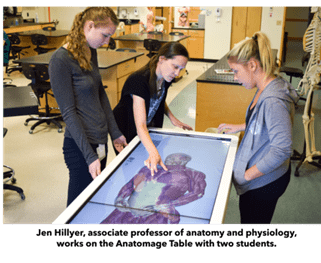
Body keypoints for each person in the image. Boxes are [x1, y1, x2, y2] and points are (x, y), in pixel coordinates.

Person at [49, 6, 127, 206]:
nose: (107, 42)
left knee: (95, 200)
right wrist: (89, 156)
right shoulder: (60, 60)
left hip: (99, 141)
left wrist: (115, 132)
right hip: (80, 147)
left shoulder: (91, 51)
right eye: (105, 35)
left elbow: (100, 94)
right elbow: (68, 113)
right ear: (89, 26)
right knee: (78, 207)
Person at [217, 32, 299, 224]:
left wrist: (245, 176)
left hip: (264, 183)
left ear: (252, 65)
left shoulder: (273, 100)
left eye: (236, 71)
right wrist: (239, 126)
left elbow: (282, 149)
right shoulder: (266, 86)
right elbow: (264, 122)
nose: (235, 78)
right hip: (261, 180)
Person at [113, 42, 193, 176]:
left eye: (181, 69)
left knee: (149, 162)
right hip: (125, 129)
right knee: (133, 169)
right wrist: (154, 151)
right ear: (162, 59)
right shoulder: (139, 80)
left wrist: (172, 118)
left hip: (145, 126)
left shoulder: (166, 77)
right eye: (175, 66)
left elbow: (159, 98)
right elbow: (140, 125)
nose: (177, 73)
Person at [100, 153, 206, 224]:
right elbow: (131, 184)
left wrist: (168, 205)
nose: (171, 159)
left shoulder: (192, 174)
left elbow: (198, 193)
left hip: (155, 215)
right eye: (171, 157)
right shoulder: (148, 168)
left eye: (175, 158)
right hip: (126, 210)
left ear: (184, 161)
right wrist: (120, 198)